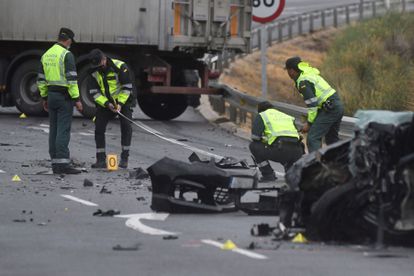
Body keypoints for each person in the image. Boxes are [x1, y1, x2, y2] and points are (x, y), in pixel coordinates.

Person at [37, 27, 83, 174]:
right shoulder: (66, 55)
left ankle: (55, 162)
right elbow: (72, 79)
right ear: (68, 40)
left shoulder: (46, 54)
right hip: (64, 97)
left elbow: (40, 80)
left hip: (51, 96)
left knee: (54, 129)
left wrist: (44, 97)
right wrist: (77, 99)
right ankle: (62, 164)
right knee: (63, 130)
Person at [285, 56, 344, 153]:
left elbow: (312, 105)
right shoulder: (308, 74)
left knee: (313, 138)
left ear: (291, 70)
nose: (288, 73)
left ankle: (316, 166)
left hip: (330, 108)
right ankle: (344, 162)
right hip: (335, 105)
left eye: (287, 70)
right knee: (332, 140)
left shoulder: (303, 82)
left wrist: (309, 124)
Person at [88, 49, 133, 169]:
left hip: (123, 101)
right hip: (106, 103)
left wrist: (120, 104)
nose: (98, 67)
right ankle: (101, 160)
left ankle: (124, 158)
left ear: (104, 59)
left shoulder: (120, 67)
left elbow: (127, 87)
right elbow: (94, 92)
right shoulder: (93, 70)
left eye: (100, 64)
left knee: (126, 125)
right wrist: (107, 104)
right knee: (99, 127)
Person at [249, 101, 304, 182]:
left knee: (254, 146)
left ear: (260, 110)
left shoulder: (262, 115)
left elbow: (255, 137)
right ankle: (290, 171)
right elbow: (295, 135)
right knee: (285, 147)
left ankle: (268, 174)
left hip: (280, 150)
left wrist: (265, 140)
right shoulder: (287, 116)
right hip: (298, 150)